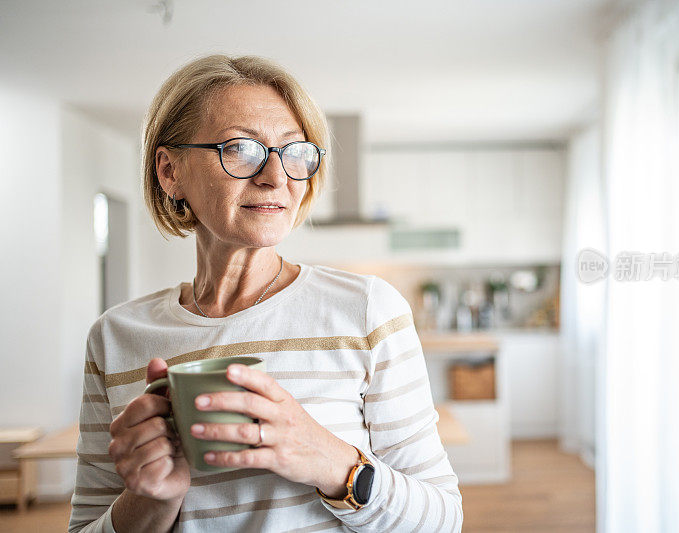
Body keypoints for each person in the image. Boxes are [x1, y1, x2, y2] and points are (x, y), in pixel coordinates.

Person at [68, 55, 462, 532]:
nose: (276, 177)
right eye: (241, 148)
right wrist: (150, 501)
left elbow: (443, 519)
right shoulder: (115, 337)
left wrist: (333, 463)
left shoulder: (367, 310)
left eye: (295, 152)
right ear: (170, 171)